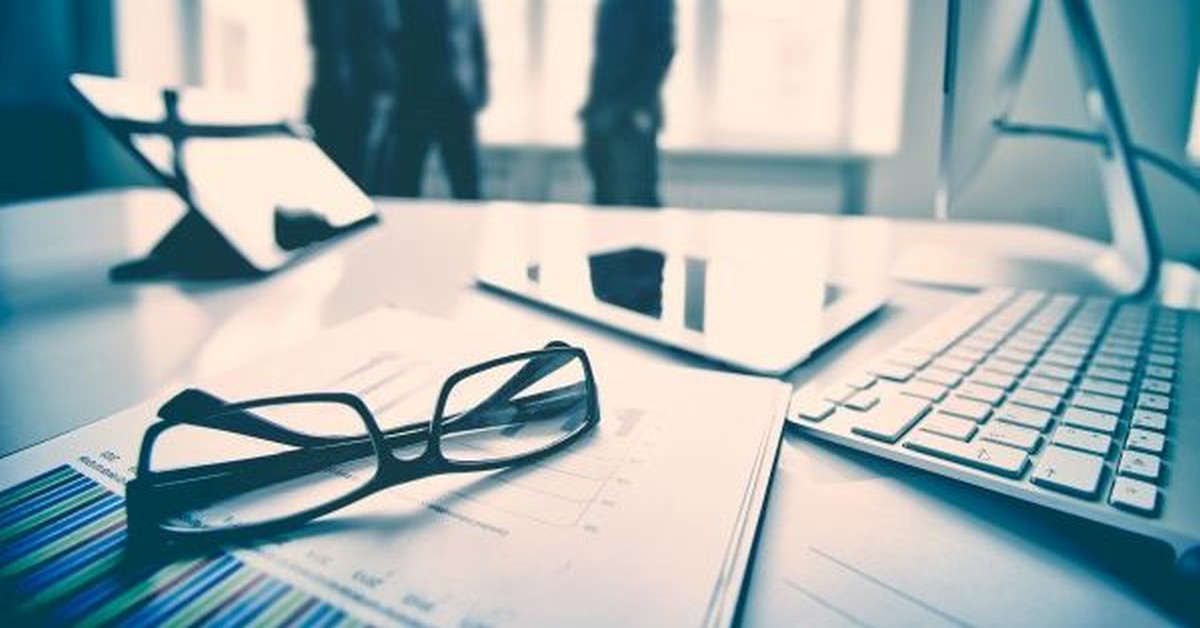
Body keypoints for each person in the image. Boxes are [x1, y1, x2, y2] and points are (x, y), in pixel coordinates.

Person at [305, 0, 489, 199]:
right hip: (414, 95)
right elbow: (390, 35)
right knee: (403, 181)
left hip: (458, 95)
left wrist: (480, 87)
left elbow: (476, 39)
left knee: (467, 183)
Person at [580, 0, 676, 207]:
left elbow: (662, 49)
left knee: (631, 199)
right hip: (602, 113)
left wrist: (638, 106)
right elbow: (607, 57)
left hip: (628, 118)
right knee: (606, 197)